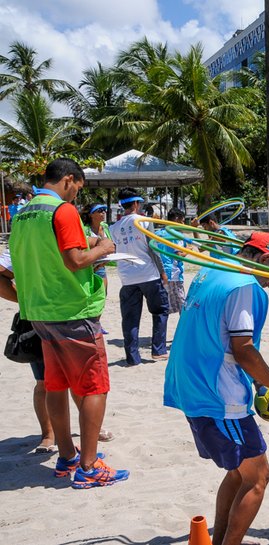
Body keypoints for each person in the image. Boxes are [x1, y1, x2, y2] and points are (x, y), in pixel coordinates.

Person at [164, 232, 269, 545]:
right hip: (219, 397)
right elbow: (243, 349)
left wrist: (257, 380)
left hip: (191, 385)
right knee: (259, 477)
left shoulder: (212, 270)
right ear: (263, 259)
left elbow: (219, 336)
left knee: (239, 473)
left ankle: (221, 540)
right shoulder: (244, 286)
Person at [8, 158, 128, 488]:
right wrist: (104, 247)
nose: (76, 194)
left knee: (56, 384)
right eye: (78, 187)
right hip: (71, 310)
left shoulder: (24, 214)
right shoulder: (62, 210)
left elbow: (47, 251)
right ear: (68, 179)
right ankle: (88, 467)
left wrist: (89, 243)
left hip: (39, 311)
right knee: (95, 387)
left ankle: (67, 457)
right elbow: (74, 261)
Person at [110, 187, 170, 365]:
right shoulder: (143, 221)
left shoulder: (113, 227)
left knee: (130, 318)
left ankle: (132, 357)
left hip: (127, 277)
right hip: (148, 274)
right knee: (160, 311)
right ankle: (158, 350)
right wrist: (163, 272)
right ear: (136, 203)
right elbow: (153, 249)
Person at [156, 208, 187, 314]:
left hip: (160, 272)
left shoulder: (158, 233)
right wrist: (188, 251)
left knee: (164, 305)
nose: (183, 224)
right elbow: (178, 256)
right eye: (182, 221)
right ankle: (184, 325)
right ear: (177, 219)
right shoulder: (176, 235)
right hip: (174, 273)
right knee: (182, 305)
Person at [81, 203, 112, 293]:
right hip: (89, 265)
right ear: (91, 215)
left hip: (101, 265)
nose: (103, 212)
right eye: (100, 211)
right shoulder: (85, 229)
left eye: (104, 210)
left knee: (103, 294)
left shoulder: (105, 227)